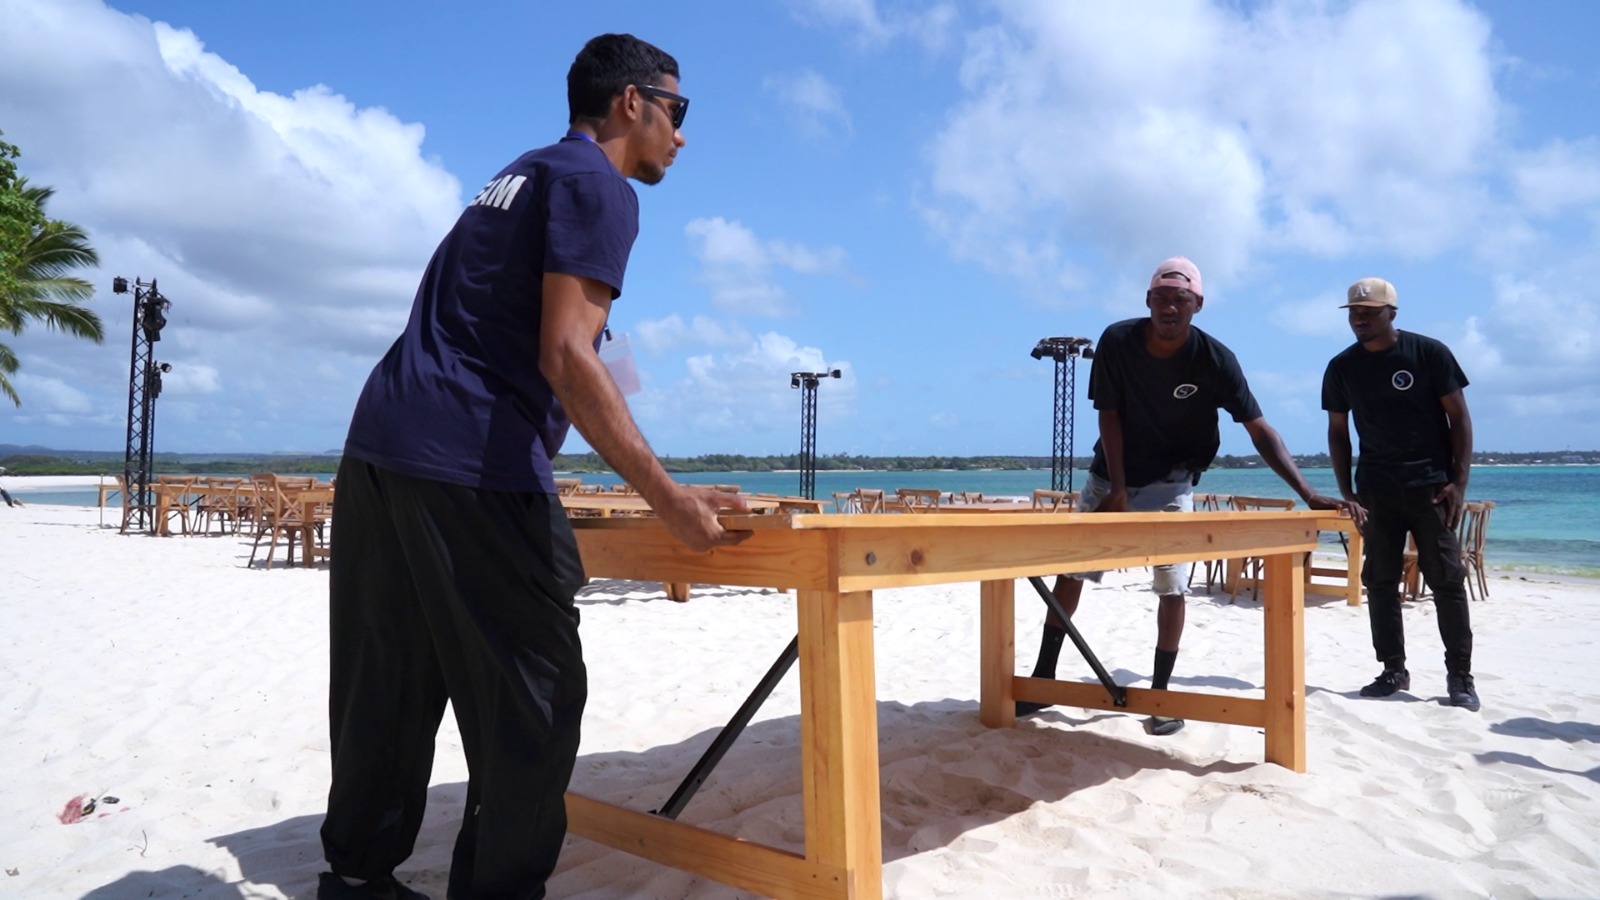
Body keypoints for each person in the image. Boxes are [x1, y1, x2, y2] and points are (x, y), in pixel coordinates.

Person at [318, 34, 750, 900]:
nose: (683, 134)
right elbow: (566, 352)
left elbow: (545, 340)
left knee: (389, 685)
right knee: (538, 700)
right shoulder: (599, 184)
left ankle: (358, 877)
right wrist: (667, 498)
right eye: (678, 109)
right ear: (631, 102)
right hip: (470, 459)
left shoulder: (519, 174)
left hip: (380, 446)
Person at [1018, 256, 1353, 735]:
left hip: (1173, 482)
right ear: (1148, 301)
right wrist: (1115, 488)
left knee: (1172, 587)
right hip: (1106, 476)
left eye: (1180, 299)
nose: (1169, 307)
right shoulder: (1117, 340)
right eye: (1161, 298)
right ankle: (1042, 680)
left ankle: (1160, 697)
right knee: (1070, 575)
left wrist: (1308, 491)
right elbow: (1108, 414)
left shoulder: (1215, 359)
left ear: (1197, 304)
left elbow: (1259, 429)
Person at [1322, 277, 1478, 712]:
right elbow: (1338, 433)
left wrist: (1458, 483)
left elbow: (1460, 419)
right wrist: (1346, 491)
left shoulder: (1428, 353)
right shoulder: (1341, 367)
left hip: (1431, 487)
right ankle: (1393, 669)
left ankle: (1460, 676)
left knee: (1447, 581)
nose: (1359, 319)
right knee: (1380, 581)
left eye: (1369, 313)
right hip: (1377, 491)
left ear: (1392, 313)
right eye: (1354, 313)